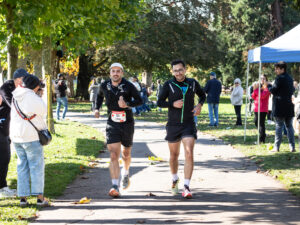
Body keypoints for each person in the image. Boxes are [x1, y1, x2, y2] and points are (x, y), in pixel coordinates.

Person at [157, 59, 206, 199]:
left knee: (189, 152)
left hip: (188, 123)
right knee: (174, 155)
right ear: (172, 71)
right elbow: (160, 102)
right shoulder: (168, 84)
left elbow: (202, 95)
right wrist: (173, 104)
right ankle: (174, 179)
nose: (178, 72)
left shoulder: (192, 83)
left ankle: (186, 186)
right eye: (175, 70)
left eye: (180, 69)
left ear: (185, 69)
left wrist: (199, 106)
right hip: (173, 124)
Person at [94, 63, 142, 197]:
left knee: (126, 153)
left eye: (118, 71)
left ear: (122, 73)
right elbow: (99, 97)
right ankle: (115, 185)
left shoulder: (128, 86)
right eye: (113, 71)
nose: (115, 73)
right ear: (110, 73)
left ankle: (126, 172)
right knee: (114, 154)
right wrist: (97, 108)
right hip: (112, 122)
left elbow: (140, 100)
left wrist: (127, 104)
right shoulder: (104, 85)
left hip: (127, 123)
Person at [10, 74, 49, 206]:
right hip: (31, 136)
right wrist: (40, 96)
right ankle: (39, 198)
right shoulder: (31, 96)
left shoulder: (15, 95)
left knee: (22, 166)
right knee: (36, 166)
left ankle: (23, 198)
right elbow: (43, 110)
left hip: (16, 136)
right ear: (36, 86)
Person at [0, 68, 29, 198]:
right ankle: (2, 187)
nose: (24, 83)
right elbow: (13, 105)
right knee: (4, 157)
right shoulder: (6, 87)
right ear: (17, 79)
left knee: (5, 158)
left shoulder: (21, 89)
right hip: (1, 126)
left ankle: (2, 186)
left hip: (6, 128)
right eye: (23, 80)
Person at [267, 61, 295, 152]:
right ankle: (292, 147)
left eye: (277, 69)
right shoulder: (290, 78)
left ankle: (276, 147)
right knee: (289, 127)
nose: (275, 71)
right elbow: (292, 90)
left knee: (279, 126)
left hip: (279, 106)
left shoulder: (279, 78)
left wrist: (269, 86)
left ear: (282, 69)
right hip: (289, 105)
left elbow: (274, 91)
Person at [251, 74, 271, 143]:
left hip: (263, 108)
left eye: (264, 78)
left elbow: (262, 96)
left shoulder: (268, 87)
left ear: (266, 80)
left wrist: (256, 90)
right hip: (256, 108)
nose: (262, 80)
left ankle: (261, 139)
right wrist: (254, 89)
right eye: (261, 78)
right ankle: (263, 134)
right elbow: (253, 96)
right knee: (256, 122)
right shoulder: (258, 87)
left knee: (261, 123)